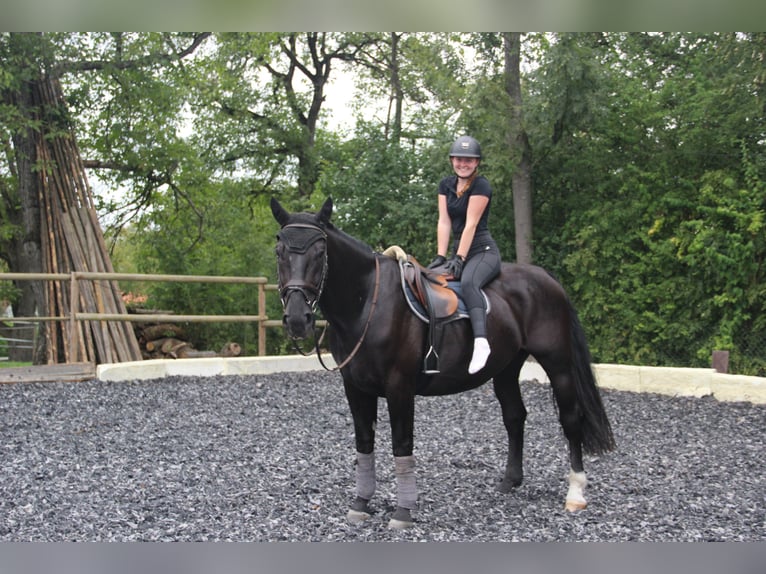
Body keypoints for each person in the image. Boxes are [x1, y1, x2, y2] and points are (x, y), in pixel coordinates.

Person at [428, 135, 501, 374]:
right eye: (459, 159)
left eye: (469, 160)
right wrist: (441, 257)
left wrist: (460, 258)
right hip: (457, 251)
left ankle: (481, 343)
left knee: (469, 282)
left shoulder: (482, 186)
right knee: (429, 280)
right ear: (452, 160)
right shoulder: (445, 185)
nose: (463, 164)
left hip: (482, 251)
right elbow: (444, 222)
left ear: (477, 162)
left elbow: (470, 224)